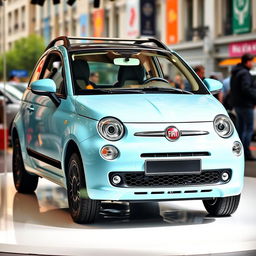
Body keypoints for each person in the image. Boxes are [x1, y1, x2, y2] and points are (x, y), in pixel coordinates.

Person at [230, 53, 256, 161]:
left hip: (238, 105)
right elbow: (246, 89)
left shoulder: (235, 72)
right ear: (247, 62)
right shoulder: (245, 73)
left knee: (241, 129)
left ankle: (239, 152)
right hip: (246, 104)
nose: (253, 63)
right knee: (248, 129)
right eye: (252, 61)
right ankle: (246, 153)